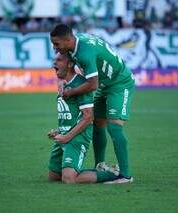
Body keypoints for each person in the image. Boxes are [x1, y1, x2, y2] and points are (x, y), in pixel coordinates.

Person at [50, 24, 135, 183]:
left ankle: (125, 175)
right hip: (105, 84)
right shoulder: (74, 44)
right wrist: (61, 80)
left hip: (120, 82)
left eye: (56, 44)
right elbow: (66, 67)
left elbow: (92, 84)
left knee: (114, 126)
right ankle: (100, 165)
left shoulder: (85, 52)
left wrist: (70, 92)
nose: (55, 48)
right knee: (97, 123)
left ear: (68, 39)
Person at [48, 53, 118, 184]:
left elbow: (88, 117)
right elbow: (70, 113)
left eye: (59, 60)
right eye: (54, 60)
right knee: (53, 176)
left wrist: (67, 137)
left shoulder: (80, 85)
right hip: (65, 135)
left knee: (69, 179)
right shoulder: (63, 85)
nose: (54, 63)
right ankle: (86, 170)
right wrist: (59, 131)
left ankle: (113, 174)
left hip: (78, 137)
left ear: (70, 64)